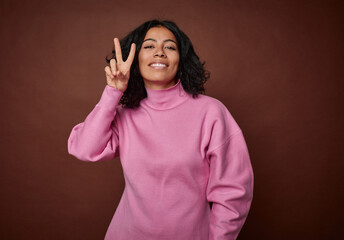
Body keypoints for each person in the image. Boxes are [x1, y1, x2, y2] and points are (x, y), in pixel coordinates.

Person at [68, 19, 254, 240]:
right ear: (135, 59)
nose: (159, 53)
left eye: (170, 47)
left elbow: (233, 191)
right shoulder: (124, 113)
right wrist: (112, 93)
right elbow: (83, 148)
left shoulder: (211, 112)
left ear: (182, 60)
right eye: (149, 46)